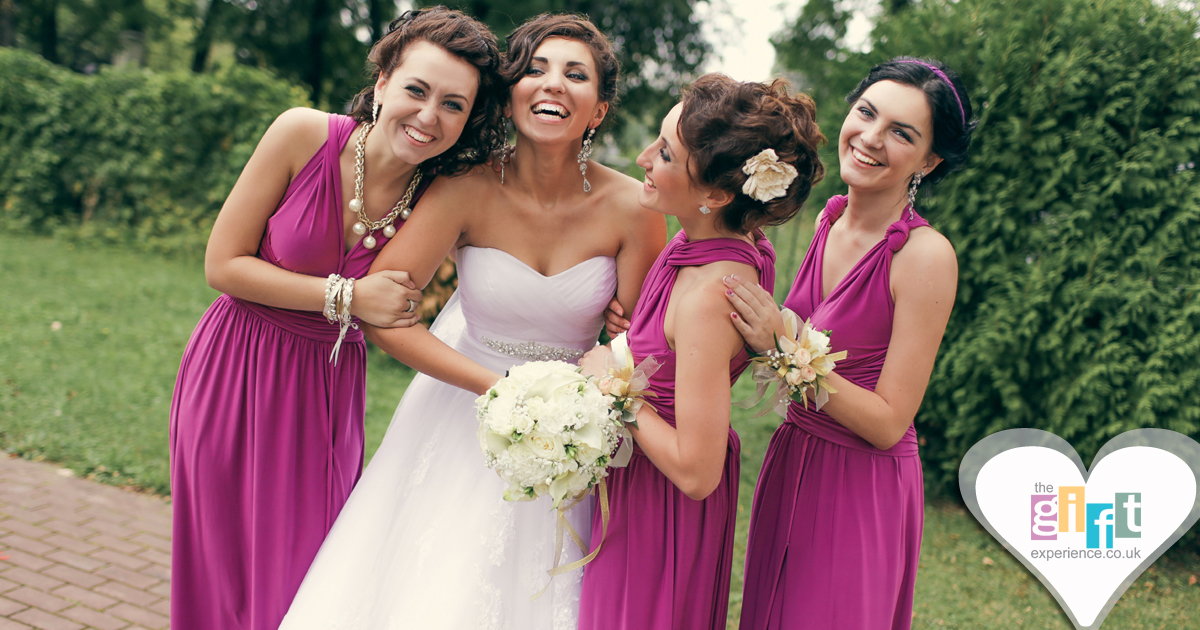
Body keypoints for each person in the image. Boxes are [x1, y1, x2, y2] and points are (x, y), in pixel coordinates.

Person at [278, 14, 666, 629]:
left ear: (598, 110)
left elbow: (637, 341)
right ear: (510, 95)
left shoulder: (634, 210)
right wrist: (498, 388)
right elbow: (387, 316)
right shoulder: (465, 186)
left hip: (571, 434)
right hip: (456, 409)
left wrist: (614, 346)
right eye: (535, 69)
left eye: (575, 75)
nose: (553, 85)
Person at [168, 8, 506, 629]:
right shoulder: (302, 134)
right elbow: (223, 264)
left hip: (325, 392)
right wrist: (347, 297)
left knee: (305, 580)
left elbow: (523, 241)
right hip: (235, 370)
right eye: (416, 90)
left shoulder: (446, 196)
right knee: (219, 572)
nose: (429, 116)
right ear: (381, 82)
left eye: (453, 105)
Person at [725, 57, 975, 630]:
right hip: (792, 462)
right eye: (867, 113)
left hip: (861, 485)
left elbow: (890, 421)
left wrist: (784, 345)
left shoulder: (925, 257)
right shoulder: (829, 220)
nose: (871, 138)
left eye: (901, 133)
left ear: (929, 161)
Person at [575, 74, 825, 630]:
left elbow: (697, 471)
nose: (643, 157)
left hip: (660, 508)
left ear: (716, 195)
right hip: (639, 481)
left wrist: (613, 387)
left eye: (664, 152)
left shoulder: (713, 294)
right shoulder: (709, 243)